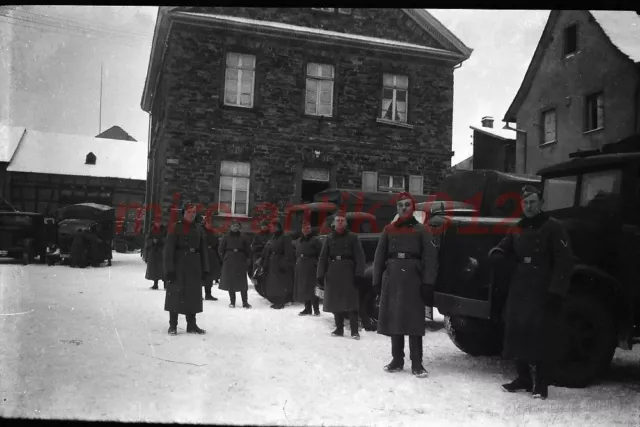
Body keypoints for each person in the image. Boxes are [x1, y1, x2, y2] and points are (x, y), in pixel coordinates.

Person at [489, 185, 573, 400]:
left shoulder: (552, 227)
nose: (529, 206)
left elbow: (564, 262)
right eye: (525, 203)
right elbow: (503, 246)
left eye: (533, 202)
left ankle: (542, 384)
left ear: (541, 204)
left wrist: (556, 291)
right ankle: (523, 378)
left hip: (541, 286)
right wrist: (497, 253)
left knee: (540, 336)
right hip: (520, 285)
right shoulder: (518, 227)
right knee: (516, 331)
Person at [373, 192, 438, 378]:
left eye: (407, 205)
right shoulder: (389, 230)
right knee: (395, 318)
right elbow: (379, 257)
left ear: (413, 208)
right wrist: (376, 281)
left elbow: (430, 258)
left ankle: (417, 363)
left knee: (414, 321)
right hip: (392, 278)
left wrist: (428, 283)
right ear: (397, 208)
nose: (404, 208)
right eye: (401, 205)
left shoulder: (422, 230)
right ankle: (397, 360)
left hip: (413, 280)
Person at [317, 211, 366, 339]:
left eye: (342, 220)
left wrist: (359, 274)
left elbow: (360, 258)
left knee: (351, 302)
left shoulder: (353, 237)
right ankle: (339, 329)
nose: (340, 222)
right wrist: (320, 274)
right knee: (335, 301)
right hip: (333, 271)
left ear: (346, 223)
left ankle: (355, 331)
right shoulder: (329, 238)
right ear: (333, 223)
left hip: (348, 271)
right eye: (337, 220)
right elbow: (323, 258)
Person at [163, 204, 209, 335]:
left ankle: (192, 325)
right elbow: (168, 250)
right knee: (175, 294)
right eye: (189, 212)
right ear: (183, 213)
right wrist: (169, 270)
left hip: (194, 265)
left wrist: (205, 269)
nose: (192, 214)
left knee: (193, 295)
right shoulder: (175, 227)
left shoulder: (199, 229)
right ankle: (173, 325)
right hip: (178, 265)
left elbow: (203, 249)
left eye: (194, 212)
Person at [219, 220, 252, 308]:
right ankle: (232, 302)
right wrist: (225, 259)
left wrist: (248, 258)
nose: (235, 227)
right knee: (231, 282)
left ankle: (245, 302)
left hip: (241, 260)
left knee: (242, 281)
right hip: (229, 261)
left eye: (237, 225)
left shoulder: (243, 237)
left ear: (239, 227)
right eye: (233, 225)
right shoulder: (226, 237)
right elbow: (220, 249)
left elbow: (248, 250)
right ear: (230, 227)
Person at [293, 221, 322, 316]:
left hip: (312, 266)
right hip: (301, 266)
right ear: (302, 230)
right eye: (304, 228)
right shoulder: (298, 241)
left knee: (313, 288)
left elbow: (320, 255)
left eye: (308, 228)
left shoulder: (316, 240)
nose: (306, 230)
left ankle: (316, 309)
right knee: (304, 287)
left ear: (310, 229)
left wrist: (317, 265)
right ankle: (307, 308)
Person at [264, 220, 294, 309]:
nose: (270, 228)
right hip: (272, 263)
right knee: (274, 284)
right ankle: (276, 301)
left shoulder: (285, 237)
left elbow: (288, 252)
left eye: (271, 226)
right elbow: (270, 250)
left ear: (277, 227)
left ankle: (281, 302)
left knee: (281, 283)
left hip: (281, 263)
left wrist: (285, 263)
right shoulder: (273, 237)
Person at [202, 215, 222, 301]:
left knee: (209, 277)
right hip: (202, 255)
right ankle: (199, 294)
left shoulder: (213, 233)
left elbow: (217, 245)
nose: (210, 225)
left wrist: (218, 258)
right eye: (208, 223)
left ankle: (208, 294)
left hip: (211, 256)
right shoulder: (201, 232)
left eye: (211, 223)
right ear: (205, 223)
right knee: (201, 276)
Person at [144, 217, 166, 290]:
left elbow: (168, 239)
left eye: (159, 222)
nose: (158, 224)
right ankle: (155, 283)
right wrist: (152, 241)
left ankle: (165, 284)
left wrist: (160, 240)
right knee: (154, 268)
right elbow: (147, 239)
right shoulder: (152, 230)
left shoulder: (164, 230)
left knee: (163, 268)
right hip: (153, 251)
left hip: (162, 251)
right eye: (157, 222)